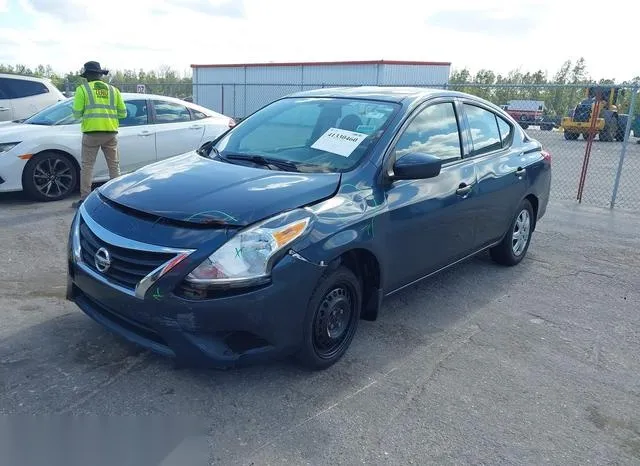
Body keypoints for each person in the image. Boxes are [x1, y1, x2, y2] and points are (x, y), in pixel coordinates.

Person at [71, 61, 127, 208]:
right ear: (100, 74)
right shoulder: (114, 90)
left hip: (91, 133)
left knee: (87, 166)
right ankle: (118, 196)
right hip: (111, 132)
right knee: (114, 166)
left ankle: (84, 199)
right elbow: (123, 113)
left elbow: (76, 114)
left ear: (88, 75)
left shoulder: (82, 90)